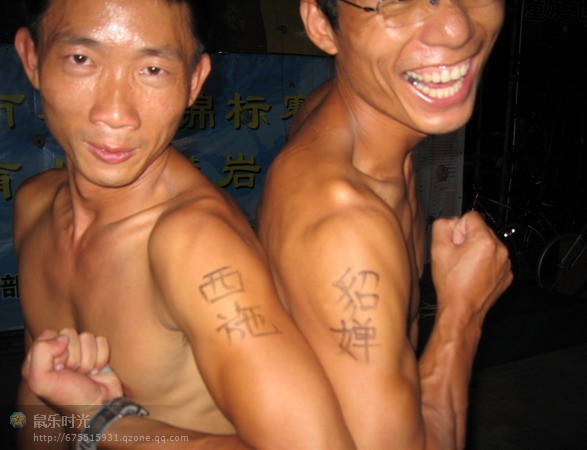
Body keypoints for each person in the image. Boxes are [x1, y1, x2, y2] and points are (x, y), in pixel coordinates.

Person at [13, 0, 355, 448]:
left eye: (152, 70)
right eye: (81, 59)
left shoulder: (195, 245)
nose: (115, 112)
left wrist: (103, 423)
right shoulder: (35, 206)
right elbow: (38, 402)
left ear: (194, 81)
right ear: (32, 58)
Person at [257, 0, 512, 449]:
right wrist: (462, 313)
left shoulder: (349, 112)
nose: (456, 28)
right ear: (322, 25)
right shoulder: (343, 229)